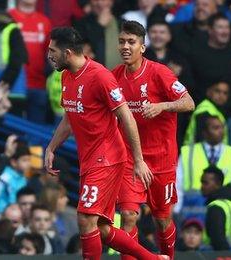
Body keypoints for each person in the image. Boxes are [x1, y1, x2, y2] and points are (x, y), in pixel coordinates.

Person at [44, 26, 167, 260]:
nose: (49, 55)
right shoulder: (67, 75)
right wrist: (51, 147)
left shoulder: (100, 76)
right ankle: (152, 258)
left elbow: (127, 117)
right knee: (99, 228)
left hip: (107, 157)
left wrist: (139, 160)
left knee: (85, 219)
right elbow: (70, 116)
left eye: (52, 50)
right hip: (90, 159)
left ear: (68, 52)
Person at [112, 21, 195, 260]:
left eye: (131, 42)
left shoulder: (159, 73)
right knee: (128, 215)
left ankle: (167, 256)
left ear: (143, 47)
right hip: (129, 159)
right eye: (121, 41)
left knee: (162, 219)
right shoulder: (113, 77)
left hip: (162, 159)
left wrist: (162, 106)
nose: (125, 47)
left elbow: (189, 102)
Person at [176, 114, 231, 222]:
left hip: (223, 217)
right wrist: (176, 214)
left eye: (222, 127)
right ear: (204, 132)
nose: (221, 131)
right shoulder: (189, 153)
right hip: (192, 218)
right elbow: (178, 185)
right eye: (215, 128)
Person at [200, 166, 231, 251]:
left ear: (217, 184)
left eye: (205, 183)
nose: (202, 186)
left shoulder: (216, 207)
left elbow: (218, 239)